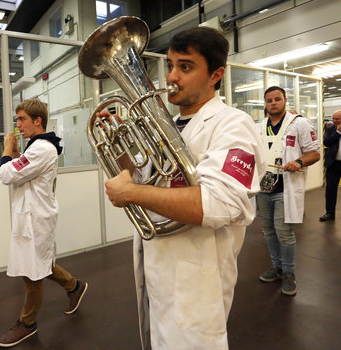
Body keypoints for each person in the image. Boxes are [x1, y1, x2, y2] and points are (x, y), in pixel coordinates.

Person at [102, 27, 267, 350]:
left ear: (215, 75)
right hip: (158, 270)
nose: (172, 77)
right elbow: (143, 179)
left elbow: (220, 204)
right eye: (170, 65)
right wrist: (118, 143)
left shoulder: (234, 126)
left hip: (197, 283)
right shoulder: (165, 126)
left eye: (186, 67)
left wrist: (132, 194)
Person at [0, 99, 88, 347]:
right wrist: (15, 154)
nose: (18, 125)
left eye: (22, 119)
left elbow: (6, 174)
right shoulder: (35, 147)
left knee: (32, 274)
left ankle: (27, 323)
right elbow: (21, 172)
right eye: (17, 120)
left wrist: (7, 148)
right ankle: (74, 286)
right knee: (40, 263)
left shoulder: (42, 149)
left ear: (38, 121)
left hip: (36, 220)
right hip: (31, 217)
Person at [256, 86, 320, 296]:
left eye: (277, 99)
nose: (273, 103)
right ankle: (277, 268)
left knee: (284, 232)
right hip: (263, 189)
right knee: (268, 231)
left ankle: (290, 273)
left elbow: (315, 153)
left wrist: (299, 161)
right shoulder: (259, 126)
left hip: (286, 188)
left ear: (285, 100)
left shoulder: (299, 123)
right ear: (265, 104)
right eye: (269, 100)